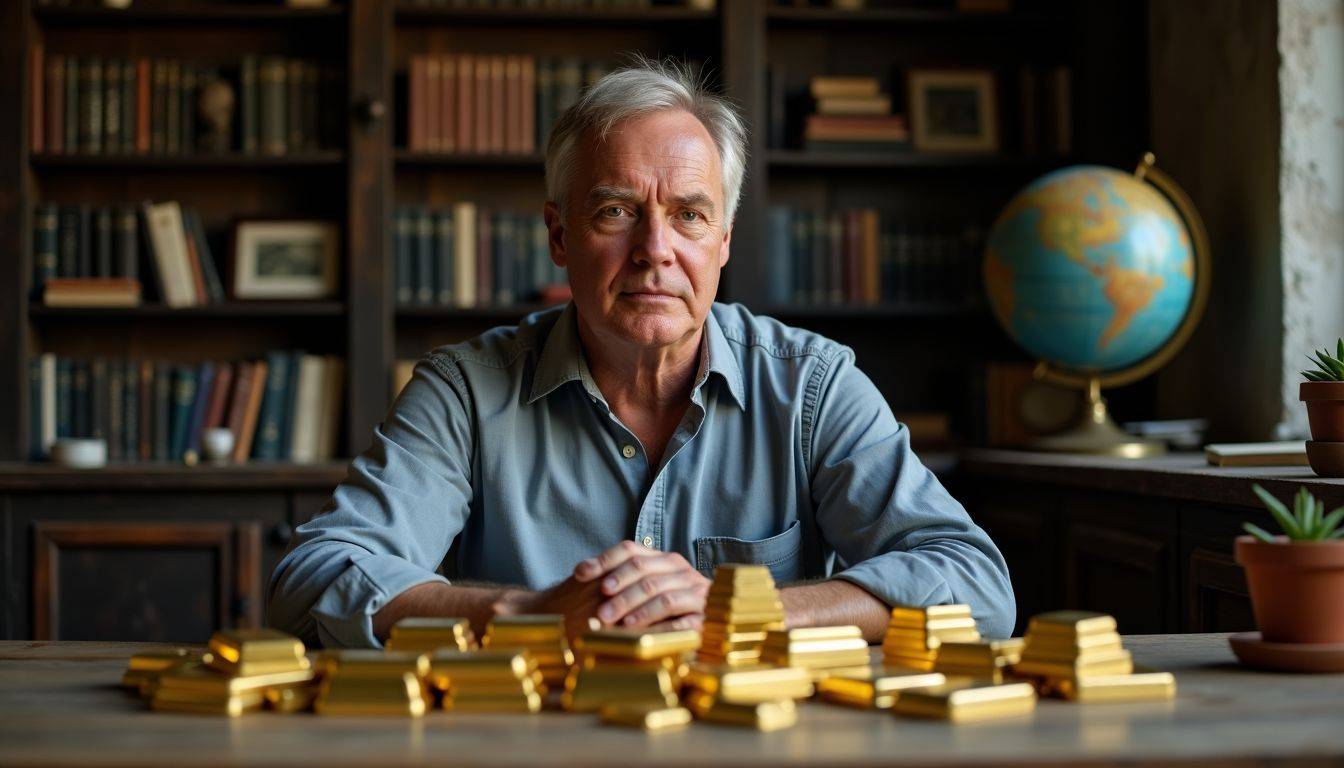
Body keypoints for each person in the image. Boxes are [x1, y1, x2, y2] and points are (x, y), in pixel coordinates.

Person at [267, 57, 1014, 648]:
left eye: (689, 216)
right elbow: (313, 575)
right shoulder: (467, 389)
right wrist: (532, 610)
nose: (655, 251)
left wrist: (742, 611)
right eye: (617, 211)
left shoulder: (811, 385)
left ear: (722, 242)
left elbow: (975, 582)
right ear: (560, 236)